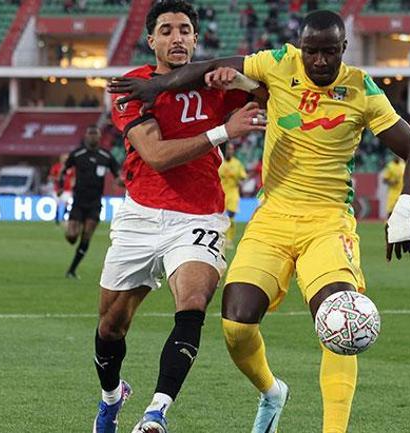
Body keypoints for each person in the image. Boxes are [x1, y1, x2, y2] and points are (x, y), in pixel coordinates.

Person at [108, 9, 410, 433]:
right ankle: (272, 391)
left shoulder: (361, 89)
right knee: (236, 325)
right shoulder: (279, 63)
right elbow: (209, 67)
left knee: (340, 317)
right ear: (301, 47)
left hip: (328, 222)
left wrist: (404, 209)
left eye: (329, 53)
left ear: (343, 50)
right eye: (311, 51)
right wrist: (158, 84)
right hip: (272, 217)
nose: (318, 61)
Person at [95, 2, 267, 433]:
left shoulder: (214, 84)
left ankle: (157, 412)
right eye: (167, 30)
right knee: (111, 327)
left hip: (200, 218)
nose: (177, 37)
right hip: (141, 215)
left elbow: (271, 93)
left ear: (195, 38)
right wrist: (224, 131)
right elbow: (155, 156)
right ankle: (112, 397)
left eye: (185, 30)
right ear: (151, 40)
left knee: (192, 305)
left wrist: (241, 79)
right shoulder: (131, 86)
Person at [59, 125, 121, 279]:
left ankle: (72, 270)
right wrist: (60, 186)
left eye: (95, 134)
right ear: (86, 136)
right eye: (90, 133)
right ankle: (69, 226)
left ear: (99, 137)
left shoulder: (105, 156)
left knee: (87, 235)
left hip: (95, 203)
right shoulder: (78, 154)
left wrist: (123, 182)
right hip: (78, 202)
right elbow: (63, 170)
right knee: (72, 237)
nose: (93, 137)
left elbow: (117, 174)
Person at [218, 142, 247, 248]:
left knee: (231, 217)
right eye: (228, 149)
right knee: (219, 218)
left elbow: (243, 177)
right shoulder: (219, 161)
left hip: (233, 194)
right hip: (220, 194)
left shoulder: (237, 164)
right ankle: (221, 238)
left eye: (232, 149)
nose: (230, 151)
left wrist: (241, 181)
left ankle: (229, 240)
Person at [50, 153, 75, 225]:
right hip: (57, 189)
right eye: (64, 158)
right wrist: (56, 179)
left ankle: (64, 218)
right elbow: (51, 177)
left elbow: (73, 177)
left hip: (67, 190)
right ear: (61, 159)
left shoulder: (71, 168)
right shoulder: (56, 167)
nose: (65, 159)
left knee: (67, 204)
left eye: (67, 158)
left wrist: (73, 184)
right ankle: (57, 219)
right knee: (57, 204)